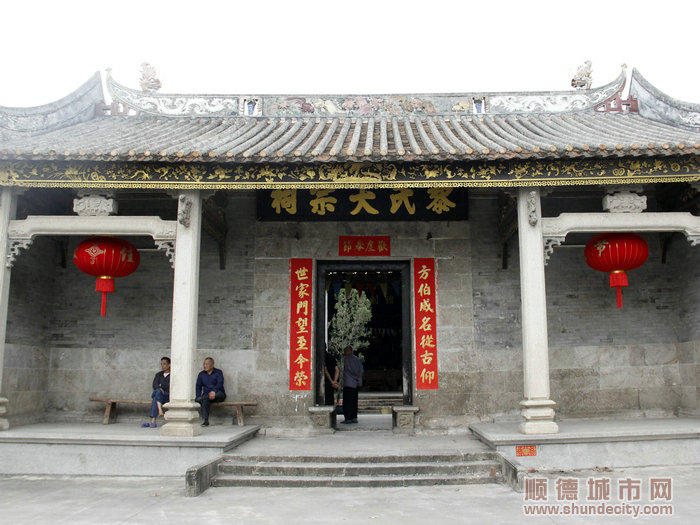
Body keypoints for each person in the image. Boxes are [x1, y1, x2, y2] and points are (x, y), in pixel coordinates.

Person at [195, 357, 226, 427]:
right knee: (203, 399)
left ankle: (207, 397)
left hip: (218, 393)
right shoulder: (201, 374)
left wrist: (214, 391)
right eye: (204, 364)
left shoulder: (218, 372)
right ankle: (205, 420)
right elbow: (198, 386)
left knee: (213, 396)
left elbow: (220, 383)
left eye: (207, 364)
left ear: (212, 365)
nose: (205, 366)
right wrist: (198, 396)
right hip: (207, 395)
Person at [142, 356, 170, 428]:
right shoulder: (159, 375)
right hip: (160, 395)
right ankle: (159, 411)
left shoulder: (172, 375)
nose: (162, 366)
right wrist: (160, 388)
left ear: (169, 365)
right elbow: (154, 385)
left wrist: (161, 387)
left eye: (164, 364)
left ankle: (153, 420)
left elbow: (169, 387)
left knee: (156, 396)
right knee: (157, 392)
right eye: (161, 364)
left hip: (167, 396)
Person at [341, 345, 363, 424]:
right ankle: (354, 417)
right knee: (354, 401)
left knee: (347, 402)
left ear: (348, 351)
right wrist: (360, 381)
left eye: (345, 351)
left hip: (347, 383)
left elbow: (341, 371)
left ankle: (348, 418)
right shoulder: (357, 359)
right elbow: (361, 371)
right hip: (355, 384)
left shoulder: (344, 360)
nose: (344, 352)